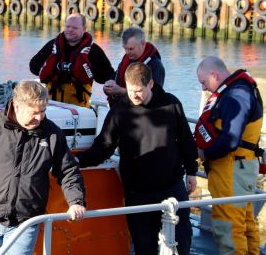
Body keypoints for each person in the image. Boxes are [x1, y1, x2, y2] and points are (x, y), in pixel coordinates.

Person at [0, 80, 86, 255]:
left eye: (43, 112)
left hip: (25, 223)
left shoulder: (52, 134)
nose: (39, 117)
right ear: (17, 106)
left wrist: (76, 201)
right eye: (34, 112)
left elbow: (68, 171)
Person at [76, 62, 198, 255]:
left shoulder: (171, 104)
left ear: (150, 84)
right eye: (130, 90)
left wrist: (191, 171)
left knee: (182, 240)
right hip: (138, 190)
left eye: (138, 91)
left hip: (172, 185)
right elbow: (104, 146)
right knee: (143, 244)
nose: (134, 95)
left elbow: (186, 140)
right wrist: (77, 163)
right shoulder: (119, 111)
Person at [195, 56, 263, 255]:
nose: (203, 88)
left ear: (214, 75)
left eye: (204, 82)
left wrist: (204, 154)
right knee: (245, 223)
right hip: (239, 170)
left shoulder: (236, 96)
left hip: (233, 171)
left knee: (229, 228)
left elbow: (230, 140)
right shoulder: (237, 90)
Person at [29, 13, 115, 108]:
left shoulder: (93, 50)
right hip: (52, 106)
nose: (70, 30)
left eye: (75, 28)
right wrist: (49, 67)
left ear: (84, 28)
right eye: (68, 26)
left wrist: (88, 69)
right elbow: (33, 67)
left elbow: (106, 77)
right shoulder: (52, 46)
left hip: (79, 110)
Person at [103, 26, 164, 106]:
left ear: (143, 44)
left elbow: (155, 96)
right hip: (121, 110)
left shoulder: (155, 65)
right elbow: (116, 76)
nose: (127, 52)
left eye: (131, 49)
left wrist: (121, 91)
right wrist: (108, 85)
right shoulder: (127, 59)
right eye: (125, 49)